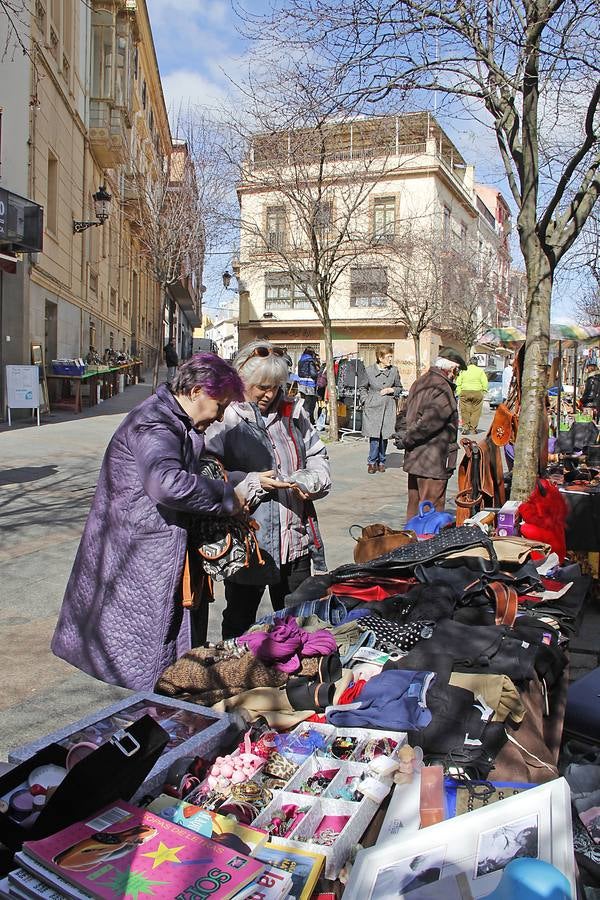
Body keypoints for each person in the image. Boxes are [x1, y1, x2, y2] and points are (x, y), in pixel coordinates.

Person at [51, 354, 249, 691]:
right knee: (152, 661)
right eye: (219, 404)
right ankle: (155, 718)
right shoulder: (154, 423)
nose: (218, 416)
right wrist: (228, 498)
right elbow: (166, 483)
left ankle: (164, 711)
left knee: (164, 659)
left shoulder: (173, 421)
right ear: (197, 390)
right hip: (139, 555)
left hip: (152, 552)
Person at [205, 339, 331, 639]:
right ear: (242, 381)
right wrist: (251, 483)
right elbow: (208, 473)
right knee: (240, 620)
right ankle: (236, 680)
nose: (269, 394)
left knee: (302, 621)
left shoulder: (294, 413)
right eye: (261, 386)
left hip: (295, 540)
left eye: (275, 386)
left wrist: (310, 480)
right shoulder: (225, 417)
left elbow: (318, 456)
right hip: (250, 542)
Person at [402, 346, 467, 519]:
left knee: (415, 508)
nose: (457, 375)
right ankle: (424, 544)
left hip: (417, 457)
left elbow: (404, 412)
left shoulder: (421, 381)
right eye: (457, 372)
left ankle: (412, 543)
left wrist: (404, 435)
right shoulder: (442, 388)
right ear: (453, 369)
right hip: (432, 460)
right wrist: (407, 437)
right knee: (430, 512)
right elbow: (429, 423)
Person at [360, 344, 403, 473]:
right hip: (373, 407)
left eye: (391, 357)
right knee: (374, 437)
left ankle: (382, 461)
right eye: (388, 357)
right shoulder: (368, 371)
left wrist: (392, 390)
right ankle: (372, 462)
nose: (390, 359)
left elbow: (399, 387)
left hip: (388, 407)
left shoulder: (394, 371)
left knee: (384, 437)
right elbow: (363, 388)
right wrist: (365, 400)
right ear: (380, 357)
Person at [456, 355, 488, 434]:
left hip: (465, 391)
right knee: (476, 411)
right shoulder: (480, 371)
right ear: (476, 363)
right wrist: (484, 391)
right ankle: (473, 429)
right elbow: (485, 382)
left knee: (464, 410)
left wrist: (458, 392)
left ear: (469, 362)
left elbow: (458, 382)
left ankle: (465, 426)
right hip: (477, 392)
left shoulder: (463, 371)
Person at [297, 346, 320, 423]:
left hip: (301, 383)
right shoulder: (310, 361)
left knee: (303, 402)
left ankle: (302, 419)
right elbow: (313, 374)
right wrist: (318, 373)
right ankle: (308, 421)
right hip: (309, 384)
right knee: (310, 403)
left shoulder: (300, 360)